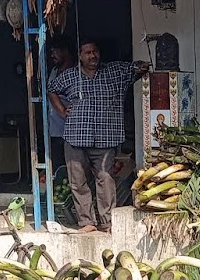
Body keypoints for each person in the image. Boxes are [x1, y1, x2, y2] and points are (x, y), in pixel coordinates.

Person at [46, 40, 147, 233]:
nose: (92, 56)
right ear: (80, 56)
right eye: (88, 53)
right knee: (78, 181)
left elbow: (138, 68)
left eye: (95, 52)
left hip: (105, 137)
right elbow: (52, 90)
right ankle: (87, 222)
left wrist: (143, 65)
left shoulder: (114, 72)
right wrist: (61, 110)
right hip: (75, 137)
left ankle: (108, 222)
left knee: (105, 179)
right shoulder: (69, 76)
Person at [45, 41, 75, 174]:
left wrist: (64, 112)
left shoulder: (76, 72)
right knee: (58, 168)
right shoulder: (54, 71)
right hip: (54, 130)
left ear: (65, 51)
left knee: (72, 168)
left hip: (71, 130)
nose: (52, 55)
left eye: (54, 51)